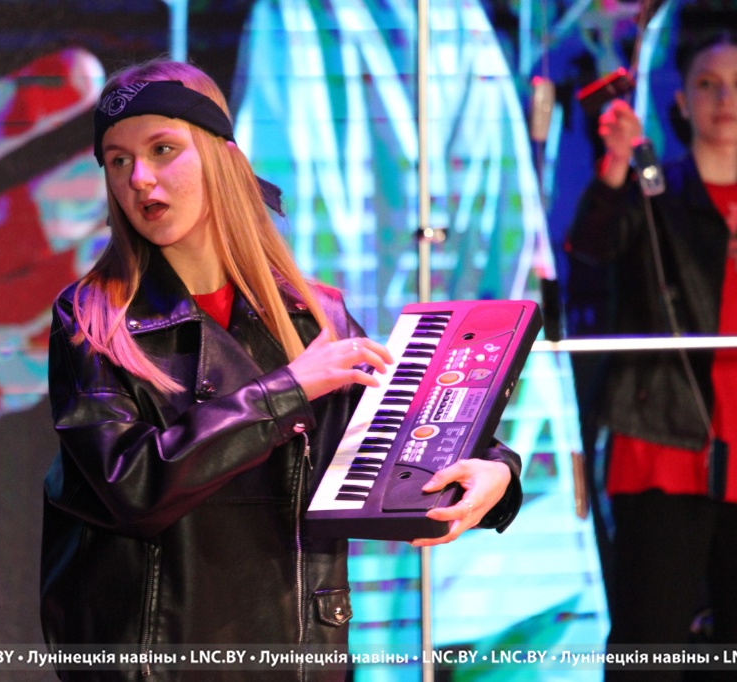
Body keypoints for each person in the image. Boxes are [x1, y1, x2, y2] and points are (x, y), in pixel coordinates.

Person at [41, 58, 524, 682]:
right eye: (117, 160)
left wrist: (496, 472)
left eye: (163, 149)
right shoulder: (92, 319)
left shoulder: (313, 315)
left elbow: (399, 435)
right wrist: (288, 390)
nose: (140, 178)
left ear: (220, 156)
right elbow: (131, 486)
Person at [564, 25, 737, 681]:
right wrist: (616, 166)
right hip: (661, 446)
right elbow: (590, 254)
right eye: (708, 84)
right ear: (683, 101)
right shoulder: (655, 190)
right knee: (650, 646)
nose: (725, 99)